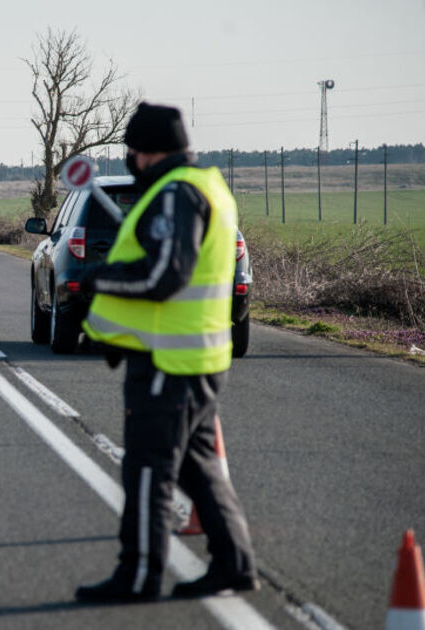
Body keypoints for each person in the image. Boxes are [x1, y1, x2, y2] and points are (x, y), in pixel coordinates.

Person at [73, 102, 259, 603]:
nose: (130, 159)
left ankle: (138, 576)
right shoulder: (207, 187)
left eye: (132, 150)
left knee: (149, 470)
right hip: (197, 357)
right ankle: (234, 565)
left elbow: (164, 275)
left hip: (168, 364)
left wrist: (96, 277)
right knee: (199, 468)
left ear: (149, 150)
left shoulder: (176, 195)